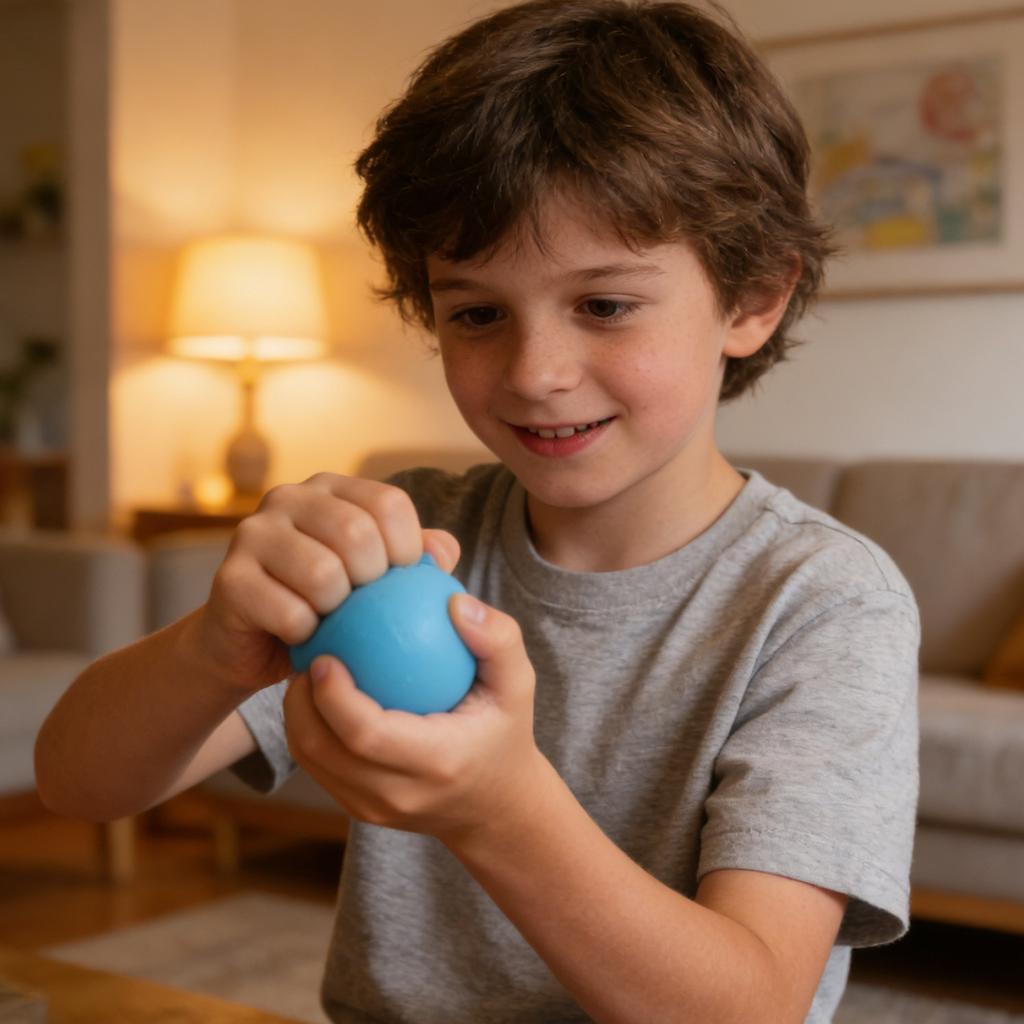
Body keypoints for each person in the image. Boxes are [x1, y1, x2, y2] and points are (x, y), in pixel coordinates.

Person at [35, 1, 921, 1021]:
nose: (536, 373)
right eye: (476, 313)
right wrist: (207, 650)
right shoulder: (406, 538)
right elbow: (75, 783)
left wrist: (500, 810)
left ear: (752, 297)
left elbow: (751, 1006)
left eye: (603, 304)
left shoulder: (823, 602)